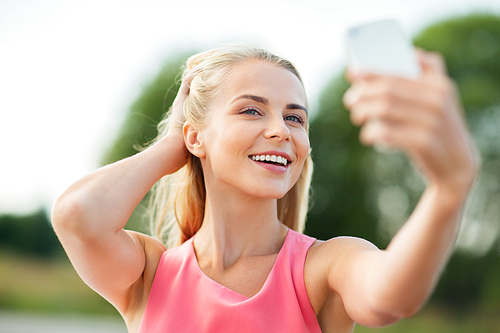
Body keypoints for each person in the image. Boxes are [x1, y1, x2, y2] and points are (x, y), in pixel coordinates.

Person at [52, 43, 478, 333]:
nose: (280, 130)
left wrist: (447, 189)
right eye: (252, 110)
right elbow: (78, 216)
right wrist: (171, 147)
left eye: (295, 118)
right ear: (195, 138)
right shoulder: (149, 274)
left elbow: (391, 296)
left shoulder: (323, 268)